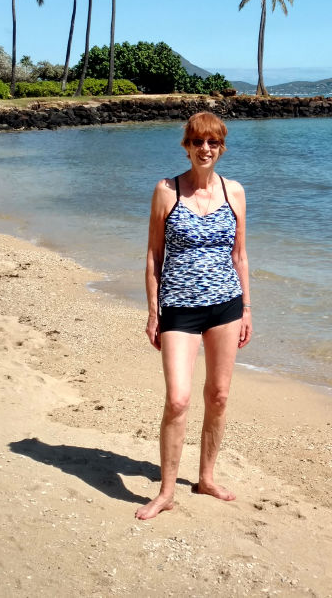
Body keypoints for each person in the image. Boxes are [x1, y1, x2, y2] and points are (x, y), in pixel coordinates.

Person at [136, 111, 252, 520]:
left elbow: (239, 255)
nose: (205, 149)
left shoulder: (234, 191)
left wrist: (248, 308)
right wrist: (154, 311)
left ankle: (205, 477)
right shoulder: (167, 190)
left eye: (213, 143)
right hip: (179, 309)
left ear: (221, 148)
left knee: (218, 397)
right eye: (198, 142)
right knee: (178, 398)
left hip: (226, 306)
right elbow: (154, 255)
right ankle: (166, 491)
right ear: (186, 145)